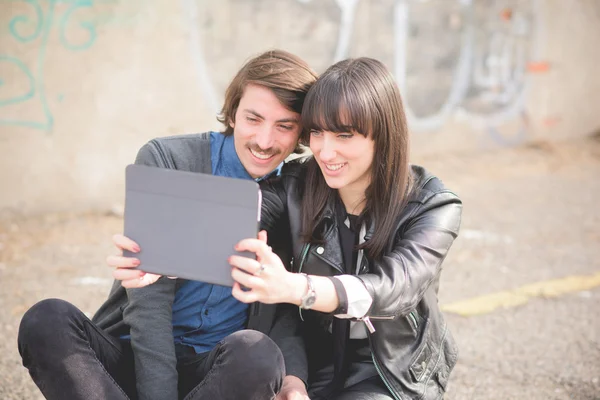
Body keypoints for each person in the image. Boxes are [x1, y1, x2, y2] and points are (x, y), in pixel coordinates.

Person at [17, 49, 318, 400]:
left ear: (301, 132)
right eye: (254, 119)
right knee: (46, 321)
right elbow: (149, 303)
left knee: (260, 354)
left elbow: (284, 312)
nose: (265, 142)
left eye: (284, 126)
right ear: (233, 113)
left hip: (217, 376)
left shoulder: (299, 192)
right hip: (131, 362)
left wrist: (295, 384)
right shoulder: (168, 160)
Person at [226, 57, 463, 399]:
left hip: (390, 372)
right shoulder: (296, 186)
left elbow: (394, 288)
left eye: (344, 135)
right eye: (317, 132)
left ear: (382, 135)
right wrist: (160, 258)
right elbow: (234, 218)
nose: (325, 150)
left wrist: (297, 287)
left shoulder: (433, 205)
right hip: (311, 361)